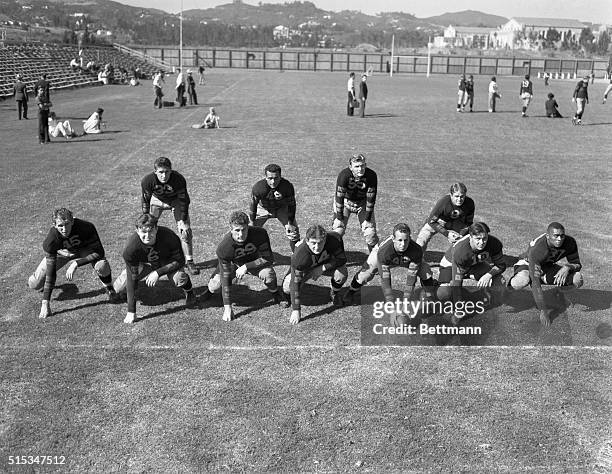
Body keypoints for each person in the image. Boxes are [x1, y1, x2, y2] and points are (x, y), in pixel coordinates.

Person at [27, 208, 119, 319]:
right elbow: (51, 272)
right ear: (54, 225)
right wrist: (45, 303)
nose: (64, 229)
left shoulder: (86, 227)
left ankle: (109, 288)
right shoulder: (51, 240)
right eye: (60, 226)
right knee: (35, 284)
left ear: (73, 221)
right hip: (63, 253)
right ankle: (38, 281)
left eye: (67, 224)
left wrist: (76, 263)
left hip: (84, 250)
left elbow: (99, 252)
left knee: (102, 265)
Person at [114, 214, 196, 324]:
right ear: (137, 230)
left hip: (166, 261)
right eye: (144, 232)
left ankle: (189, 292)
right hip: (144, 264)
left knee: (179, 278)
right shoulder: (130, 248)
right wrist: (131, 311)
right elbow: (131, 277)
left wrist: (158, 272)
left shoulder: (169, 236)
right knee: (118, 289)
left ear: (156, 229)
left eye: (151, 231)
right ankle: (130, 292)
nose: (147, 235)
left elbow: (180, 261)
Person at [205, 211, 285, 322]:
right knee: (215, 286)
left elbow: (268, 259)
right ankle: (209, 292)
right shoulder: (224, 247)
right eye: (237, 230)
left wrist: (247, 266)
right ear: (231, 229)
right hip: (233, 264)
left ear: (248, 227)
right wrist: (227, 308)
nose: (241, 234)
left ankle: (276, 293)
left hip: (254, 261)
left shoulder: (260, 234)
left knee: (268, 274)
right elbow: (225, 276)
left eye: (244, 230)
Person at [343, 223, 437, 314]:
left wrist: (406, 300)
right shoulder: (384, 252)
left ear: (410, 238)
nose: (403, 244)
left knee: (425, 271)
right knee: (365, 274)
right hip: (385, 256)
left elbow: (412, 277)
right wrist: (389, 300)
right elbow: (385, 278)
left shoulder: (416, 250)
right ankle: (351, 291)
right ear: (393, 239)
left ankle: (430, 296)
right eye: (400, 240)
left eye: (406, 240)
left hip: (407, 258)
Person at [508, 223, 583, 328]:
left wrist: (567, 267)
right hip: (527, 264)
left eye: (562, 235)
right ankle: (505, 290)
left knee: (577, 278)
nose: (559, 239)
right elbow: (535, 283)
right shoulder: (538, 250)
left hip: (546, 266)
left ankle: (558, 294)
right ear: (548, 236)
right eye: (556, 236)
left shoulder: (570, 242)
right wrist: (543, 310)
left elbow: (577, 263)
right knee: (520, 282)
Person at [436, 222, 507, 324]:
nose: (482, 242)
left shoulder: (494, 243)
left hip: (474, 265)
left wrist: (488, 275)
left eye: (484, 238)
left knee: (499, 281)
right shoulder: (461, 251)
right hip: (451, 264)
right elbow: (457, 283)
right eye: (478, 239)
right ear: (470, 237)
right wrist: (459, 309)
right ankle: (437, 295)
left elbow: (501, 265)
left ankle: (487, 296)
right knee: (444, 293)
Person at [141, 156, 199, 275]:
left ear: (171, 171)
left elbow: (184, 201)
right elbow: (145, 200)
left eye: (167, 172)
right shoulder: (147, 181)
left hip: (175, 201)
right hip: (157, 200)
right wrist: (146, 217)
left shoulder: (178, 179)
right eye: (161, 172)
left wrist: (183, 220)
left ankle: (189, 261)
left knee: (185, 231)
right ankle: (152, 258)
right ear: (155, 171)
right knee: (148, 229)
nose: (164, 175)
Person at [281, 224, 348, 325]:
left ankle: (334, 292)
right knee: (288, 287)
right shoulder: (299, 256)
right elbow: (295, 283)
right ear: (307, 241)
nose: (317, 247)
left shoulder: (334, 239)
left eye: (320, 243)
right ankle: (286, 298)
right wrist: (296, 309)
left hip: (324, 264)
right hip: (306, 268)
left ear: (325, 240)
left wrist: (322, 268)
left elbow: (341, 259)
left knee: (342, 273)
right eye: (313, 243)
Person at [332, 153, 379, 252]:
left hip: (363, 203)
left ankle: (375, 260)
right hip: (346, 202)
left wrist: (367, 219)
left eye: (362, 166)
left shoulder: (371, 175)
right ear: (350, 167)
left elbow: (371, 198)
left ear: (365, 165)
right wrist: (339, 217)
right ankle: (337, 258)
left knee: (370, 233)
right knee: (337, 231)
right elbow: (339, 196)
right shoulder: (344, 175)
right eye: (356, 166)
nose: (360, 169)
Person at [248, 163, 300, 252]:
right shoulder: (258, 188)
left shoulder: (287, 186)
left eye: (276, 178)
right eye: (270, 178)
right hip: (263, 209)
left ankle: (297, 255)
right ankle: (250, 254)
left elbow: (292, 205)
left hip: (281, 209)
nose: (273, 182)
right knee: (249, 232)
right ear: (265, 177)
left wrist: (290, 223)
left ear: (280, 177)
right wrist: (252, 221)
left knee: (294, 233)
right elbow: (253, 205)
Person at [416, 182, 475, 253]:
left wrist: (461, 235)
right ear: (451, 195)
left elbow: (468, 223)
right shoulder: (443, 202)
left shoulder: (470, 203)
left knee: (468, 239)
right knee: (422, 237)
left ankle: (464, 259)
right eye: (456, 196)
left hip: (456, 223)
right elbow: (431, 221)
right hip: (439, 221)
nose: (459, 199)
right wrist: (447, 234)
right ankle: (417, 258)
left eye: (462, 196)